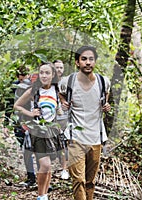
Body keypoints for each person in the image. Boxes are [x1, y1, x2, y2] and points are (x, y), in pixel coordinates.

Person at [60, 46, 111, 200]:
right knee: (79, 180)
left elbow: (105, 97)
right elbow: (61, 93)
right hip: (75, 137)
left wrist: (106, 105)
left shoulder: (103, 82)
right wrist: (64, 102)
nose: (88, 62)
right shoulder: (67, 81)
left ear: (95, 62)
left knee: (90, 181)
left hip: (96, 137)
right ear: (77, 62)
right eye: (84, 59)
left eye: (91, 59)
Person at [14, 62, 62, 200]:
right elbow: (17, 106)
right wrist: (30, 113)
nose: (44, 76)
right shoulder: (33, 91)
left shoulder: (56, 90)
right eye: (41, 73)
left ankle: (45, 195)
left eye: (47, 73)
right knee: (45, 164)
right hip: (37, 131)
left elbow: (59, 108)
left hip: (52, 131)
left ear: (53, 75)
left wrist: (61, 109)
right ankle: (40, 196)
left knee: (48, 167)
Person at [12, 66, 38, 187]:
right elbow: (15, 106)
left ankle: (42, 179)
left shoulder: (43, 90)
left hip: (39, 124)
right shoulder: (18, 88)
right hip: (24, 123)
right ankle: (31, 177)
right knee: (26, 150)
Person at [53, 59, 70, 180]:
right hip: (51, 119)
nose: (59, 69)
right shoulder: (48, 82)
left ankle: (65, 169)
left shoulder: (66, 83)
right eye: (56, 67)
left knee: (65, 144)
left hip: (65, 118)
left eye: (61, 67)